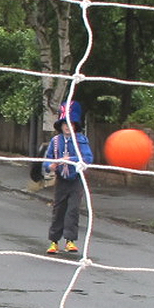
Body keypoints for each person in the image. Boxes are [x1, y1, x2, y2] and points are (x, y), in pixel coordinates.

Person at [43, 100, 93, 254]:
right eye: (65, 123)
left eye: (71, 123)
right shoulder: (55, 141)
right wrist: (50, 165)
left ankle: (70, 240)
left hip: (76, 180)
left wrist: (70, 160)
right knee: (58, 210)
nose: (67, 126)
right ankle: (54, 241)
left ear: (76, 125)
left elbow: (88, 158)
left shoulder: (81, 140)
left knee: (73, 210)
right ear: (60, 125)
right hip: (61, 180)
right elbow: (47, 159)